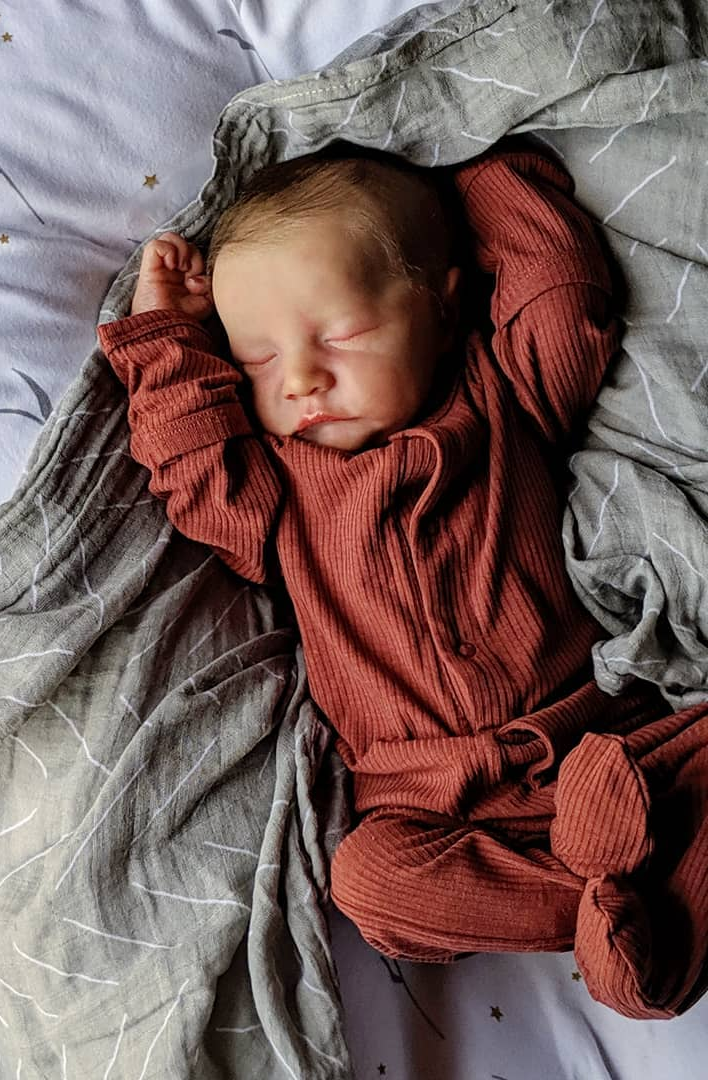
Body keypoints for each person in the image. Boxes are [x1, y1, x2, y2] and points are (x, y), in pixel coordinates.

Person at [95, 139, 708, 1020]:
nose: (301, 379)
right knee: (369, 883)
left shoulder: (504, 399)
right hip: (435, 804)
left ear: (443, 307)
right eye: (259, 362)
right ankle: (598, 910)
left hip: (604, 739)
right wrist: (164, 336)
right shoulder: (278, 492)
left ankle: (631, 905)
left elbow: (561, 292)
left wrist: (480, 160)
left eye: (339, 335)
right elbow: (190, 468)